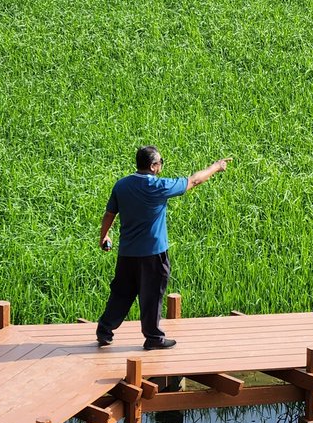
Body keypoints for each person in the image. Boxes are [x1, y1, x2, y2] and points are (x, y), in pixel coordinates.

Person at [96, 147, 229, 350]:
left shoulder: (121, 185)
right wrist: (216, 167)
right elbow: (194, 180)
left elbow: (109, 214)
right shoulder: (158, 186)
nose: (161, 165)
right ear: (153, 166)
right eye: (161, 162)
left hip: (127, 253)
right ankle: (153, 338)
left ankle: (104, 331)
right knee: (152, 295)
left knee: (121, 293)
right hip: (153, 254)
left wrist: (104, 235)